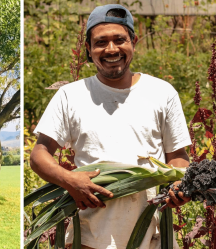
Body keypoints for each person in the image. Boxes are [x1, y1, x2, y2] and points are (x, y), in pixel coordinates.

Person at [30, 4, 192, 249]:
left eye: (120, 40)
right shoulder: (70, 96)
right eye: (101, 42)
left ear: (133, 41)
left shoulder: (161, 93)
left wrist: (179, 184)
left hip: (150, 233)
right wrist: (70, 181)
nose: (111, 49)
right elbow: (39, 155)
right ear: (88, 49)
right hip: (91, 235)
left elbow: (178, 158)